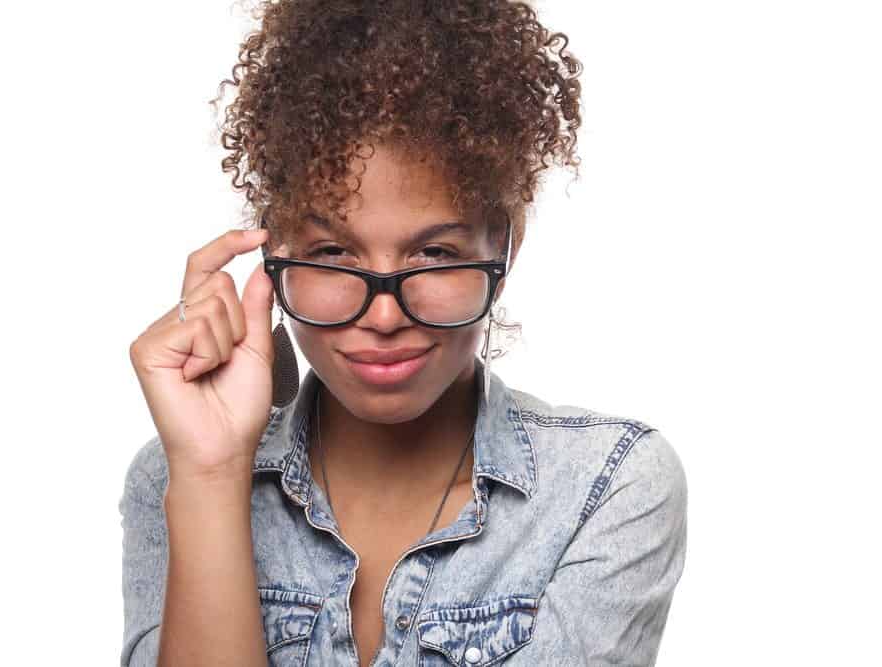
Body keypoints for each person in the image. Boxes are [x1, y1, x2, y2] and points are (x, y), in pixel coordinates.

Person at [120, 2, 688, 666]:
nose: (384, 316)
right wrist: (212, 474)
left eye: (435, 254)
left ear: (503, 247)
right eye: (333, 252)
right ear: (272, 251)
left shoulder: (606, 487)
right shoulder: (174, 476)